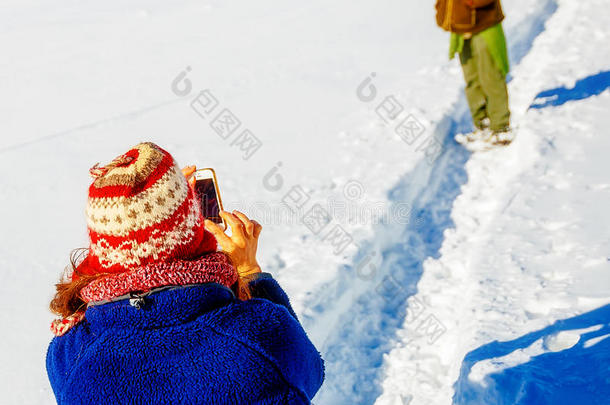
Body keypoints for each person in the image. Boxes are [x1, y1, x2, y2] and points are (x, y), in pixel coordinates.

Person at [46, 142, 325, 404]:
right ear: (193, 229)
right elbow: (309, 372)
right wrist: (250, 273)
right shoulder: (260, 335)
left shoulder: (69, 354)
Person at [435, 0, 513, 146]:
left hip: (485, 25)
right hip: (460, 29)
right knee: (472, 80)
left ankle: (501, 127)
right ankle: (482, 124)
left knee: (491, 77)